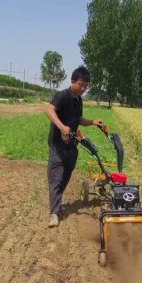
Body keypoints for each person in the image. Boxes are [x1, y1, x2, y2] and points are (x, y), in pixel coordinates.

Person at [45, 66, 103, 228]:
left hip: (71, 144)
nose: (84, 88)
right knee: (56, 175)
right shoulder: (62, 96)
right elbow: (49, 109)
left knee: (66, 173)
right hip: (57, 143)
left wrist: (92, 122)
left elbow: (79, 119)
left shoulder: (78, 100)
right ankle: (54, 213)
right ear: (72, 82)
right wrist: (62, 127)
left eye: (86, 85)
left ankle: (57, 201)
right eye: (81, 84)